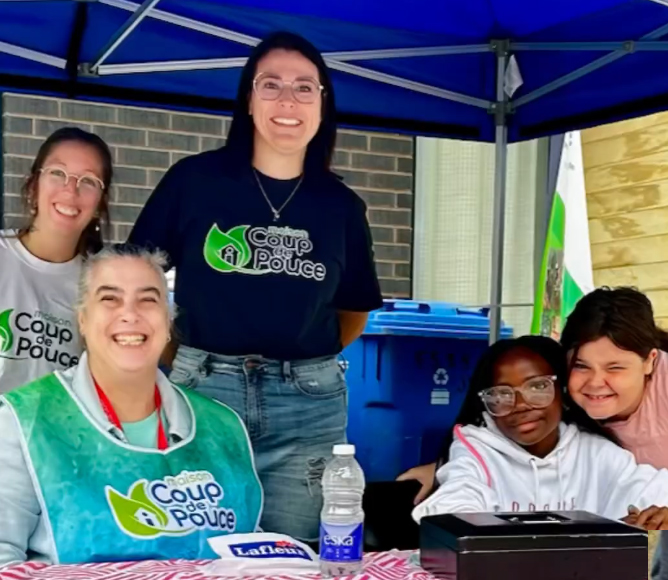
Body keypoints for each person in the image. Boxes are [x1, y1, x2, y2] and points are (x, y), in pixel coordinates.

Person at [127, 30, 383, 542]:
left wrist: (307, 355)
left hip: (307, 405)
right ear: (248, 99)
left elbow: (354, 310)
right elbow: (138, 275)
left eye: (304, 87)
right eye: (271, 85)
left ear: (322, 105)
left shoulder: (341, 206)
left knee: (300, 554)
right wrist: (170, 353)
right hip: (204, 392)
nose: (288, 100)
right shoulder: (195, 181)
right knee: (194, 549)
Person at [0, 245, 263, 567]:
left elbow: (251, 553)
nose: (130, 313)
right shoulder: (24, 420)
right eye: (109, 298)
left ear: (168, 324)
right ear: (82, 319)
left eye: (148, 299)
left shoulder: (222, 427)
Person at [411, 335, 668, 529]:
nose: (521, 405)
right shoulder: (477, 451)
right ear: (486, 405)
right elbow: (456, 505)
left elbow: (650, 488)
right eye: (501, 394)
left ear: (564, 393)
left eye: (537, 387)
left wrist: (660, 514)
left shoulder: (596, 453)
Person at [0, 127, 112, 393]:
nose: (71, 189)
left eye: (88, 181)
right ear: (33, 186)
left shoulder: (101, 287)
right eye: (58, 173)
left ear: (99, 204)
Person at [560, 286, 668, 469]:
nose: (595, 382)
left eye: (614, 367)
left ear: (650, 361)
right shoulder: (554, 402)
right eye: (581, 366)